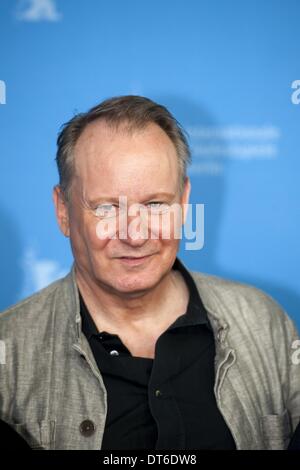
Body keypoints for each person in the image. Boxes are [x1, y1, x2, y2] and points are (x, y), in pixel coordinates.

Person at [0, 95, 299, 450]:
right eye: (108, 207)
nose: (136, 234)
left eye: (156, 204)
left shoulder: (264, 323)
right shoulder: (10, 354)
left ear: (184, 203)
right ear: (63, 211)